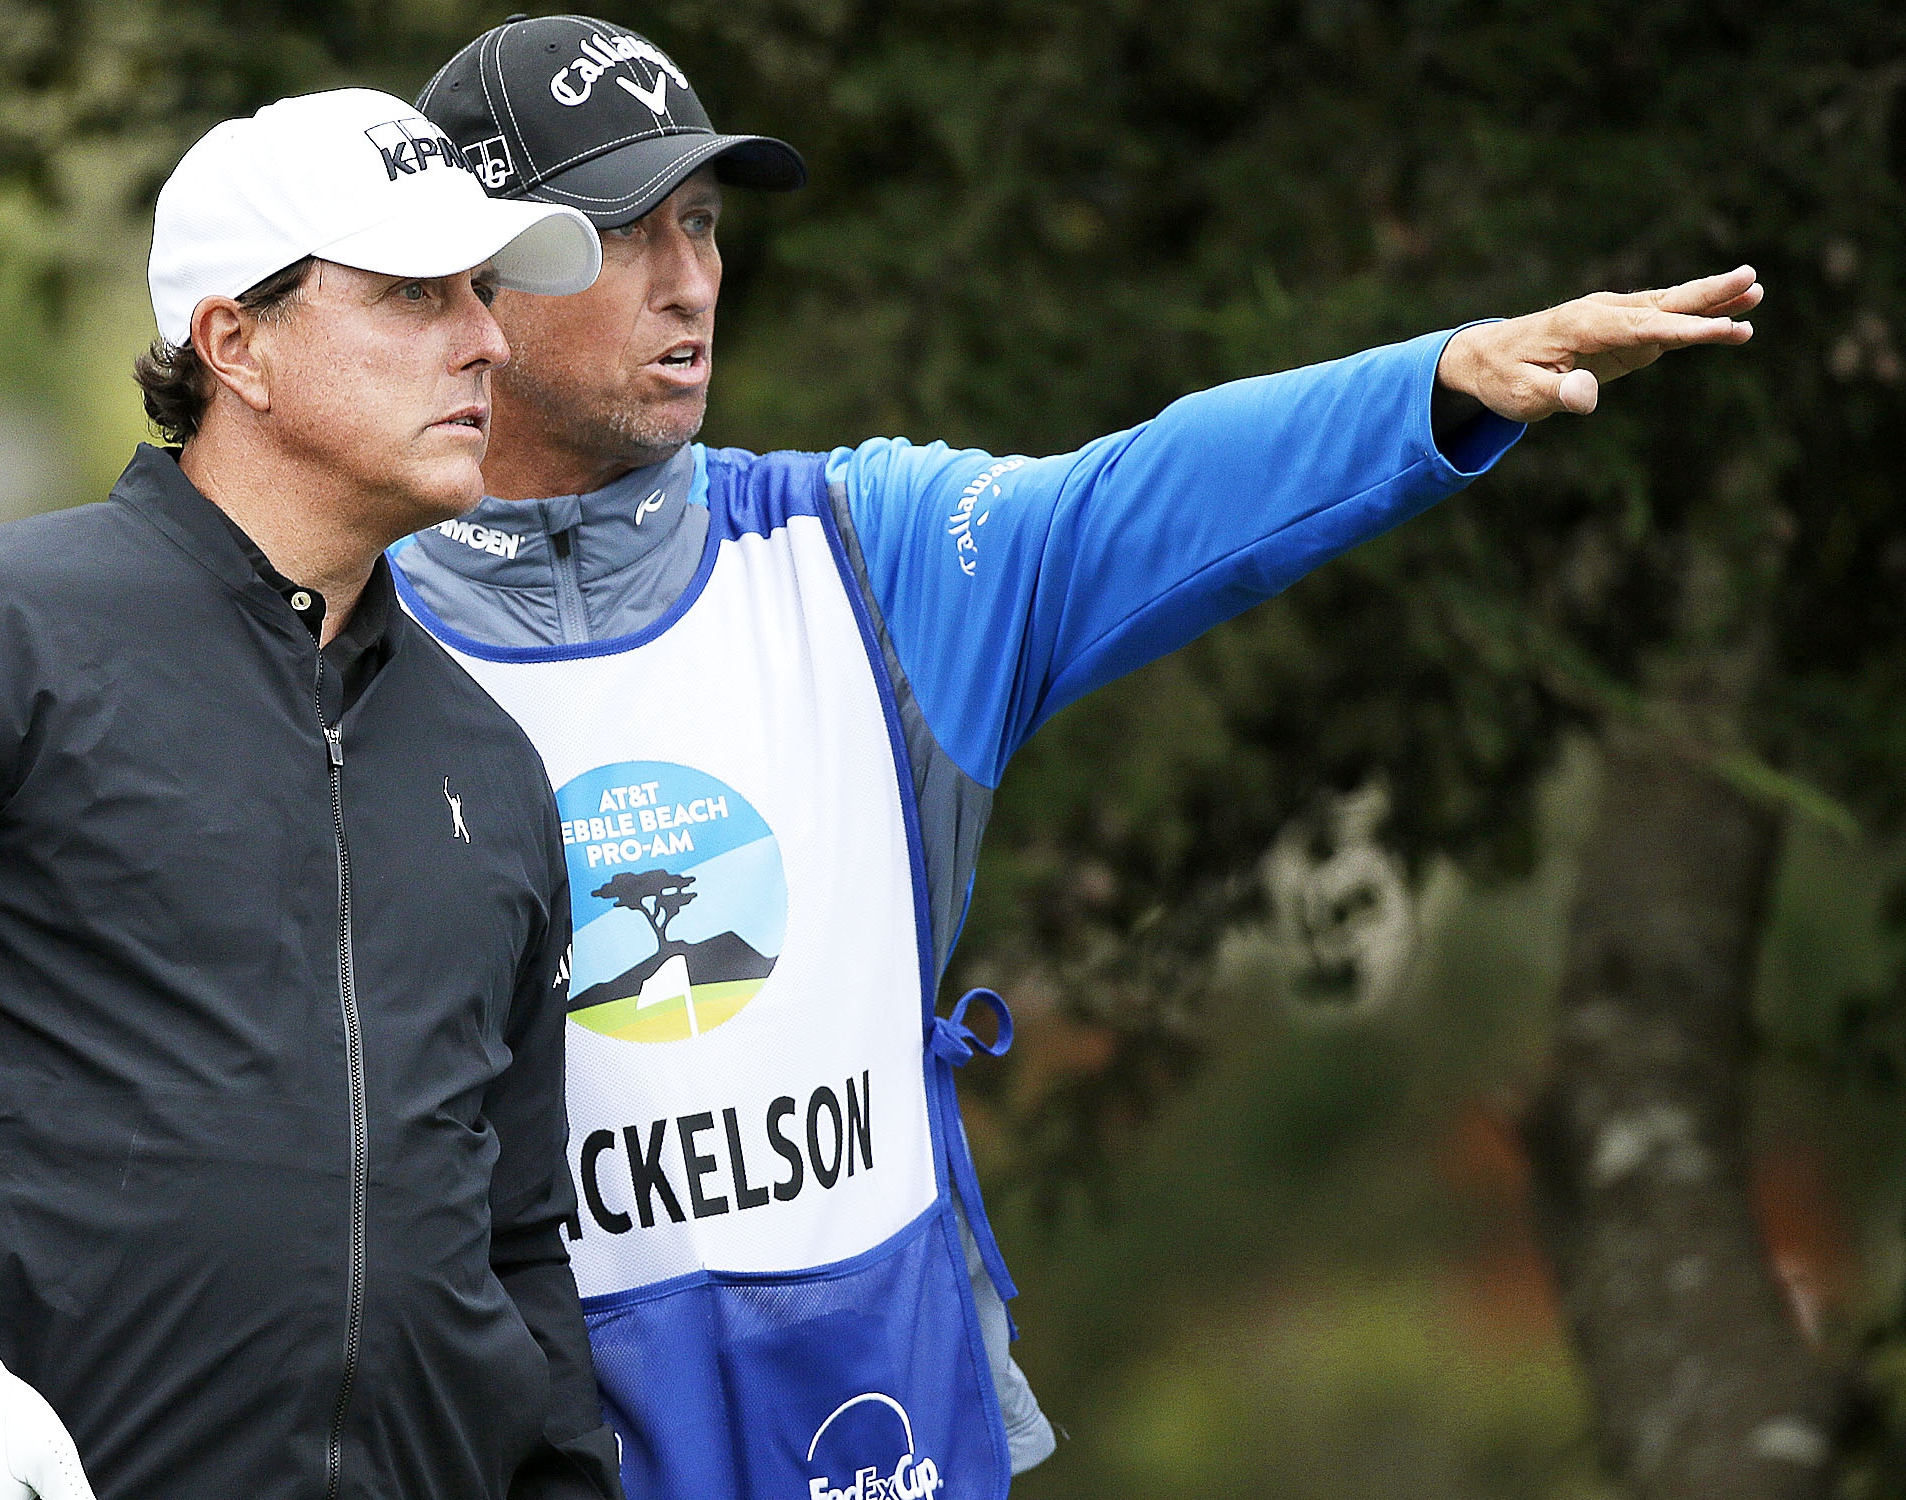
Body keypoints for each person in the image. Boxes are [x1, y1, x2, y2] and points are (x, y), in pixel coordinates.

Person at [396, 15, 1762, 1500]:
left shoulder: (862, 552)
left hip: (886, 1428)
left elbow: (1148, 493)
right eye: (624, 234)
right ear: (473, 279)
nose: (692, 281)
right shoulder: (341, 632)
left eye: (706, 224)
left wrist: (1436, 380)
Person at [0, 88, 623, 1500]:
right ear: (236, 345)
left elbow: (516, 1243)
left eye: (481, 290)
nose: (489, 339)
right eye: (412, 293)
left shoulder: (486, 762)